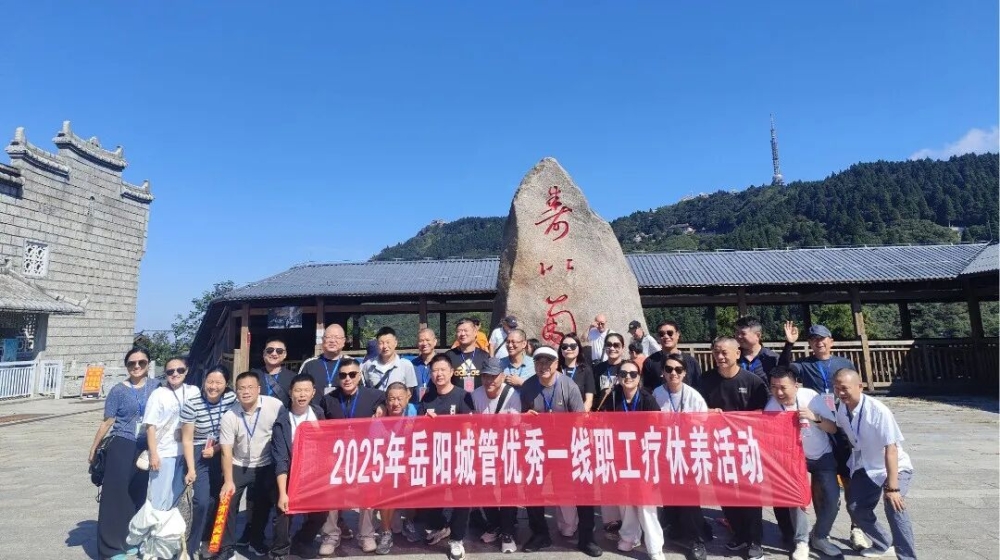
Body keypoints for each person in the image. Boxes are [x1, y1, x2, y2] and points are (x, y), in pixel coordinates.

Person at [780, 321, 867, 550]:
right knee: (821, 483)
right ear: (809, 343)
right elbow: (783, 371)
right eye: (813, 339)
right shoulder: (803, 365)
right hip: (818, 425)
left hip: (843, 426)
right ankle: (821, 531)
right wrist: (789, 344)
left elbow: (856, 390)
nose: (818, 342)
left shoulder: (844, 363)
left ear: (831, 341)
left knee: (850, 478)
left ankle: (856, 528)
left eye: (822, 338)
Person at [520, 346, 603, 558]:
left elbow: (580, 420)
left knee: (583, 489)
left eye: (548, 362)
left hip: (568, 445)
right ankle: (540, 534)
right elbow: (520, 419)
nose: (543, 366)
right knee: (532, 489)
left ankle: (587, 538)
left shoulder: (568, 386)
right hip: (539, 447)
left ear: (556, 364)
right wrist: (525, 419)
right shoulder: (528, 387)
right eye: (539, 362)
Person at [834, 369, 917, 560]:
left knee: (894, 506)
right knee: (856, 508)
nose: (840, 392)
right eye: (837, 388)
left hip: (894, 466)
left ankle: (907, 557)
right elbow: (838, 428)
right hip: (866, 465)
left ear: (859, 386)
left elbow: (891, 449)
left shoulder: (878, 411)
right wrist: (815, 419)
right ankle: (882, 543)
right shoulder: (842, 408)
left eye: (845, 388)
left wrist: (893, 488)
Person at [765, 366, 843, 560]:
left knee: (832, 499)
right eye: (774, 387)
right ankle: (801, 541)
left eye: (783, 387)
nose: (778, 393)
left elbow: (833, 428)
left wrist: (814, 418)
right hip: (793, 459)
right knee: (797, 498)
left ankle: (820, 536)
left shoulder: (812, 397)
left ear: (796, 385)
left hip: (821, 455)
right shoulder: (771, 407)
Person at [701, 337, 768, 560]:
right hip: (718, 446)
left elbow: (764, 415)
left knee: (750, 495)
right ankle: (739, 534)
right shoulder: (705, 380)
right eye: (716, 352)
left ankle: (755, 540)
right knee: (725, 493)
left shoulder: (753, 381)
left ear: (737, 353)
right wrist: (706, 413)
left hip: (746, 447)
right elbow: (696, 409)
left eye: (724, 352)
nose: (720, 357)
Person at [89, 348, 159, 560]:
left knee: (137, 495)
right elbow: (108, 421)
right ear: (126, 366)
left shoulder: (157, 387)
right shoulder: (118, 390)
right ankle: (111, 547)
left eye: (141, 362)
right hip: (122, 444)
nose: (137, 366)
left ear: (148, 364)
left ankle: (130, 540)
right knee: (115, 496)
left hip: (146, 446)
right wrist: (94, 447)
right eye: (131, 363)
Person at [317, 357, 387, 556]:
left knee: (367, 495)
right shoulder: (329, 399)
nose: (347, 378)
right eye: (343, 375)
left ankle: (366, 535)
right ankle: (331, 535)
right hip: (337, 456)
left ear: (359, 375)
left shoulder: (374, 396)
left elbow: (392, 399)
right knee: (331, 495)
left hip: (364, 455)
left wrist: (383, 407)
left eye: (352, 374)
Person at [596, 360, 664, 560]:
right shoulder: (611, 396)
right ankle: (629, 537)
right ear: (618, 377)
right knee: (624, 500)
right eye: (623, 373)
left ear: (639, 377)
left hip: (643, 456)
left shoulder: (647, 399)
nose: (628, 377)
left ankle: (655, 547)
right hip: (620, 455)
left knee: (645, 503)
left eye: (633, 374)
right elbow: (601, 421)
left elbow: (657, 428)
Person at [217, 371, 285, 559]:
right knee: (226, 502)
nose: (246, 392)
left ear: (259, 389)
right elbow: (226, 451)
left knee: (261, 506)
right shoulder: (230, 415)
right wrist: (228, 481)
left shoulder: (274, 406)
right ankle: (224, 546)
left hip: (265, 464)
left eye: (250, 387)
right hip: (238, 464)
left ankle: (256, 541)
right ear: (236, 391)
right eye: (241, 388)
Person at [420, 354, 476, 560]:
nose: (439, 374)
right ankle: (441, 526)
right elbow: (419, 428)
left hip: (458, 454)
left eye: (443, 369)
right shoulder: (427, 398)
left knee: (461, 499)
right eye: (435, 370)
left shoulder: (463, 396)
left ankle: (457, 539)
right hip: (434, 456)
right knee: (430, 497)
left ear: (452, 372)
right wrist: (424, 421)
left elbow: (469, 428)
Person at [652, 355, 708, 560]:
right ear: (663, 372)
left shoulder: (694, 396)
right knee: (668, 495)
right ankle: (674, 527)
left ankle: (697, 540)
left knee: (689, 498)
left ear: (684, 373)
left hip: (687, 453)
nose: (673, 373)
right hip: (665, 452)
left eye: (678, 369)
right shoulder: (657, 393)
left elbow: (704, 424)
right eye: (668, 369)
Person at [181, 364, 237, 560]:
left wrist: (217, 448)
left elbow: (234, 430)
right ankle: (192, 545)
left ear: (226, 384)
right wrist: (191, 469)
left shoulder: (231, 399)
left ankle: (213, 543)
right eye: (210, 381)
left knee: (220, 499)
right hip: (199, 453)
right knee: (202, 501)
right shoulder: (192, 404)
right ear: (204, 382)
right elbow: (187, 439)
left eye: (219, 382)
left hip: (223, 450)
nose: (213, 386)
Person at [270, 374, 327, 560]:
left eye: (306, 390)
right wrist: (283, 493)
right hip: (290, 473)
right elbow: (280, 459)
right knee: (284, 514)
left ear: (313, 392)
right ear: (290, 392)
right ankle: (279, 551)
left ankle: (301, 541)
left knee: (320, 514)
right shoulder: (282, 421)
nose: (302, 395)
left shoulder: (319, 413)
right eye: (298, 390)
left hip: (313, 474)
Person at [470, 358, 521, 553]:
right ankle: (495, 524)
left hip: (507, 447)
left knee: (508, 490)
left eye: (493, 376)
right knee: (484, 488)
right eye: (485, 376)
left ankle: (508, 532)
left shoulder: (512, 395)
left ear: (502, 375)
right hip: (484, 448)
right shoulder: (475, 395)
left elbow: (514, 426)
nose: (489, 380)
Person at [143, 357, 197, 512]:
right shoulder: (158, 394)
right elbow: (150, 426)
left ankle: (168, 526)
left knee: (176, 496)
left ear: (186, 371)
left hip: (185, 453)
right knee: (159, 497)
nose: (175, 374)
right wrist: (154, 454)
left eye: (180, 370)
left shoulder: (193, 391)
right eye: (170, 371)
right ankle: (155, 526)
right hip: (164, 452)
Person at [378, 382, 420, 552]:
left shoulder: (414, 412)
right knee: (386, 491)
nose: (395, 403)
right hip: (387, 464)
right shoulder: (379, 418)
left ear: (407, 398)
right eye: (391, 399)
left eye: (399, 399)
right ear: (386, 401)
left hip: (409, 462)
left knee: (414, 486)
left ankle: (409, 521)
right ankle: (385, 532)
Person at [641, 321, 702, 393]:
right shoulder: (650, 362)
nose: (666, 336)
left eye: (670, 333)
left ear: (677, 335)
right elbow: (647, 390)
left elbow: (698, 388)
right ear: (658, 337)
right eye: (661, 334)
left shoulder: (691, 362)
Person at [299, 324, 349, 405]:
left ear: (344, 341)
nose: (332, 340)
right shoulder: (309, 364)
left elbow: (361, 392)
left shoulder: (351, 364)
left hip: (344, 412)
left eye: (337, 337)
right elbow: (298, 390)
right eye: (328, 337)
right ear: (323, 340)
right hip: (316, 411)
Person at [362, 327, 418, 392]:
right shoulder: (368, 365)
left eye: (388, 342)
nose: (385, 346)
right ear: (377, 345)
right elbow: (365, 389)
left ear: (395, 343)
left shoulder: (406, 365)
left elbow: (409, 391)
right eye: (381, 343)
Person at [445, 318, 490, 393]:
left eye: (466, 330)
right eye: (459, 331)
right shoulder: (448, 356)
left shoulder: (485, 356)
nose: (462, 334)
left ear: (475, 333)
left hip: (479, 398)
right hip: (456, 398)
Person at [734, 316, 780, 383]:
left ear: (758, 335)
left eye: (743, 333)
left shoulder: (772, 358)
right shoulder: (733, 357)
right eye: (737, 332)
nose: (739, 336)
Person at [558, 332, 595, 412]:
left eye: (573, 346)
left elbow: (589, 400)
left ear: (579, 348)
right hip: (558, 415)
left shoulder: (585, 370)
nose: (568, 349)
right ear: (561, 349)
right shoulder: (556, 369)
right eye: (564, 346)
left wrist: (579, 416)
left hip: (579, 415)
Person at [254, 337, 296, 407]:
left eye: (279, 351)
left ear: (285, 354)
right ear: (264, 353)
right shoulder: (253, 375)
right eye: (270, 350)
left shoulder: (293, 378)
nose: (274, 353)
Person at [411, 327, 438, 401]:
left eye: (427, 340)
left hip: (436, 405)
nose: (424, 343)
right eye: (421, 341)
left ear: (435, 342)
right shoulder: (412, 365)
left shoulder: (441, 363)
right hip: (416, 405)